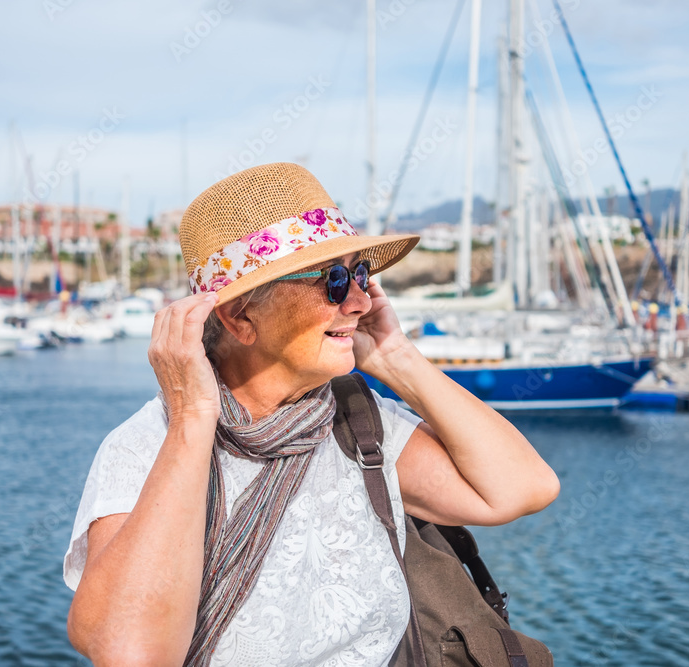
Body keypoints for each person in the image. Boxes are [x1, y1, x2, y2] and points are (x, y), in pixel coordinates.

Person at [62, 162, 560, 666]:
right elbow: (130, 653)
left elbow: (522, 489)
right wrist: (193, 421)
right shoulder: (150, 444)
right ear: (240, 317)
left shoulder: (359, 425)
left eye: (361, 274)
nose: (362, 300)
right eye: (335, 280)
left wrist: (396, 358)